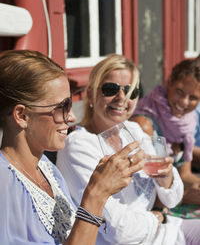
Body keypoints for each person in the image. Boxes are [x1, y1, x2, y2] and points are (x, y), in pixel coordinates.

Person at [0, 50, 145, 245]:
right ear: (22, 116)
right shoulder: (5, 184)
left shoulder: (47, 169)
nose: (72, 117)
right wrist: (97, 194)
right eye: (62, 107)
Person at [57, 54, 200, 245]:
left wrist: (166, 179)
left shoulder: (134, 130)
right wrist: (157, 216)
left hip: (167, 232)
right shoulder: (79, 146)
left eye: (131, 92)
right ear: (90, 94)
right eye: (111, 89)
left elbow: (173, 198)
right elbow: (118, 232)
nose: (122, 98)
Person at [130, 57, 200, 208]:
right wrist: (186, 197)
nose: (184, 102)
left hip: (172, 198)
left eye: (193, 98)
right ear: (169, 83)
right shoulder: (144, 125)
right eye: (180, 92)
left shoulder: (187, 122)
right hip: (151, 210)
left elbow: (185, 174)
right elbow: (144, 191)